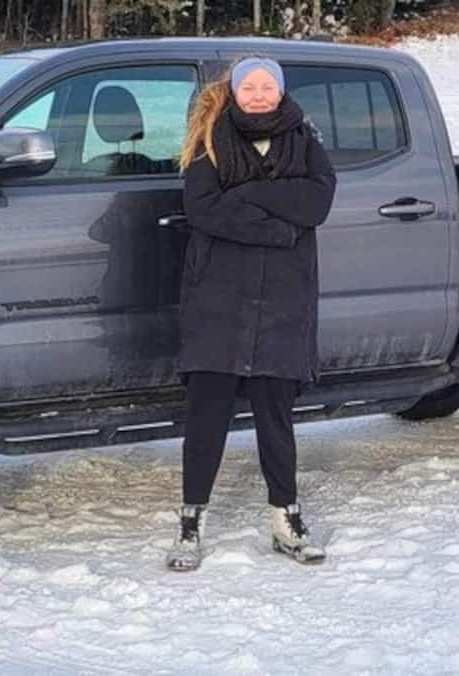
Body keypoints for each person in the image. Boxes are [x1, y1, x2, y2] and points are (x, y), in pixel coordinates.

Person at [166, 55, 337, 572]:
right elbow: (204, 208)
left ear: (280, 91)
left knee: (276, 418)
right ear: (235, 92)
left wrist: (247, 194)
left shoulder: (304, 140)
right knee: (207, 417)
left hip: (283, 301)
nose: (259, 95)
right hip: (219, 300)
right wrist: (279, 228)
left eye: (267, 87)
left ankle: (287, 520)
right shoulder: (211, 140)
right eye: (250, 87)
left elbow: (316, 201)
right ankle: (191, 523)